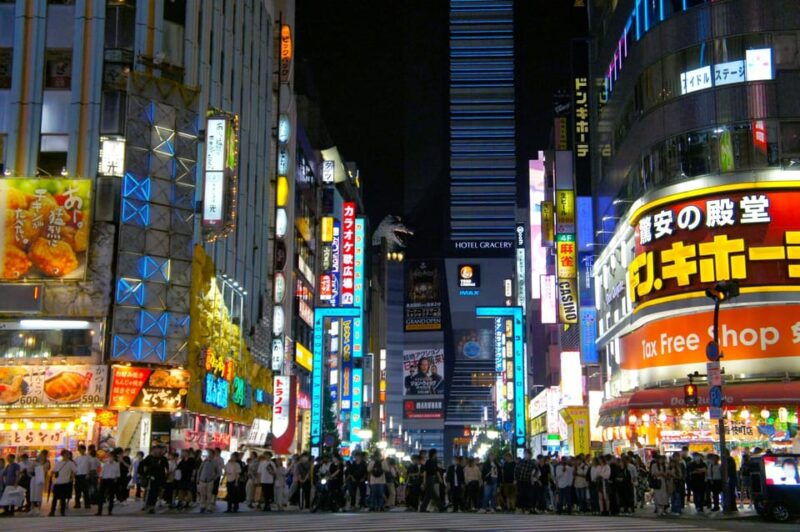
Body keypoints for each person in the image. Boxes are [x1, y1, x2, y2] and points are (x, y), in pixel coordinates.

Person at [140, 446, 169, 514]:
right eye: (157, 450)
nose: (158, 451)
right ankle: (146, 504)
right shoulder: (149, 457)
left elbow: (166, 469)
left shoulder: (163, 459)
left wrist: (164, 478)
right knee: (148, 491)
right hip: (149, 477)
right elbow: (142, 465)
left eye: (159, 450)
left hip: (158, 479)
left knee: (154, 493)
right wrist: (144, 474)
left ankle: (152, 506)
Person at [50, 450, 76, 516]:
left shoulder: (70, 463)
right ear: (63, 455)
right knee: (55, 498)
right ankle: (52, 511)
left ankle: (62, 511)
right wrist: (52, 473)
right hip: (57, 482)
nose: (68, 455)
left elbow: (75, 471)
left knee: (63, 498)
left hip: (65, 482)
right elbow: (54, 470)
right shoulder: (58, 463)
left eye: (68, 454)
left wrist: (71, 477)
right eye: (66, 454)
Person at [96, 449, 121, 516]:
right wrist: (100, 480)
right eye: (109, 456)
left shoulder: (116, 464)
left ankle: (110, 511)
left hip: (111, 481)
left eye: (112, 456)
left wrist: (115, 480)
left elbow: (118, 474)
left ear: (114, 457)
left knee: (111, 496)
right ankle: (99, 511)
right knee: (101, 496)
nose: (110, 457)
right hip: (104, 480)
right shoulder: (105, 463)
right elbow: (101, 472)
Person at [419, 448, 443, 512]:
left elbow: (437, 470)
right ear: (433, 454)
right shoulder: (428, 461)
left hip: (433, 478)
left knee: (428, 495)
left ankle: (423, 508)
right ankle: (441, 507)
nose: (436, 455)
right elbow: (425, 472)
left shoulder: (434, 461)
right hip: (429, 478)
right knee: (433, 494)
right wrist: (424, 481)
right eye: (436, 453)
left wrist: (440, 478)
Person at [73, 444, 92, 509]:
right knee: (77, 490)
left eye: (80, 449)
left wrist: (88, 474)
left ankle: (87, 504)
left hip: (84, 475)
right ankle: (77, 504)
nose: (79, 450)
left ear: (84, 449)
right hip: (78, 475)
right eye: (79, 449)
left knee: (85, 490)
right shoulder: (77, 457)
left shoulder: (88, 457)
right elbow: (74, 465)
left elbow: (90, 466)